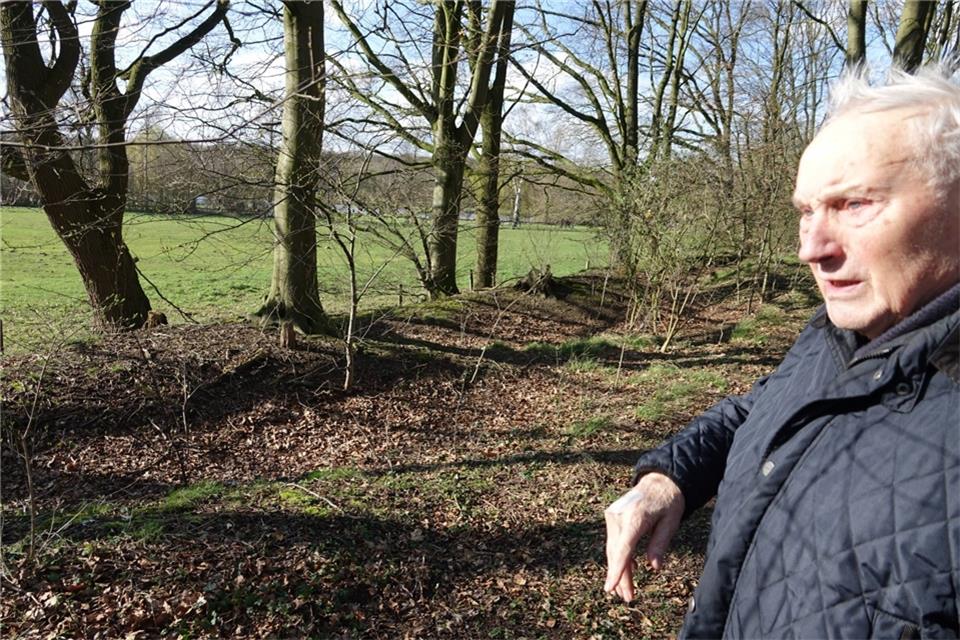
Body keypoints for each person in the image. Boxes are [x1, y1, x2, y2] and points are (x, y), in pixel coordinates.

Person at [604, 64, 960, 639]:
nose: (812, 249)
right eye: (806, 211)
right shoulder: (839, 335)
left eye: (853, 204)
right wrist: (669, 479)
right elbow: (764, 408)